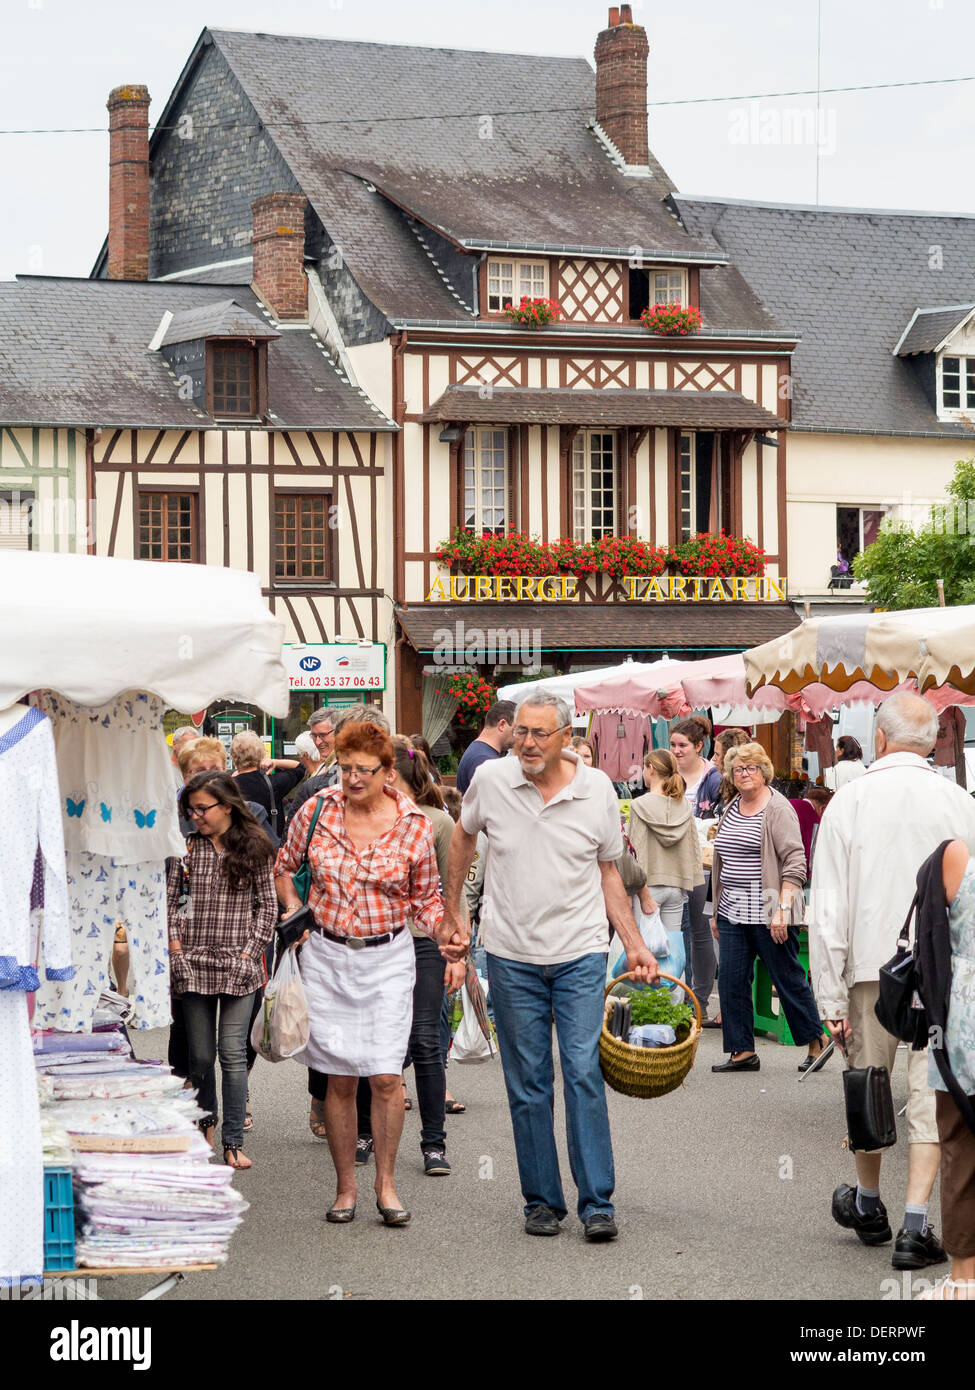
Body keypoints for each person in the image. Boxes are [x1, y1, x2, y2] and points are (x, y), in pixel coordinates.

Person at [440, 691, 658, 1242]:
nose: (528, 743)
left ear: (566, 736)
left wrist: (631, 941)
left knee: (583, 1074)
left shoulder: (596, 790)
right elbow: (463, 837)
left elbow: (610, 870)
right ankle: (541, 1201)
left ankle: (597, 1203)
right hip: (511, 956)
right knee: (529, 1083)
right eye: (521, 732)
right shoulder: (491, 781)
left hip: (580, 953)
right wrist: (453, 912)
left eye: (540, 734)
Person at [810, 691, 975, 1270]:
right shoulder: (959, 802)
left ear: (879, 738)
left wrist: (827, 995)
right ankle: (914, 1225)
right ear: (933, 743)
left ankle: (870, 1203)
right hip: (941, 970)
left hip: (867, 967)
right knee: (931, 1098)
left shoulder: (848, 803)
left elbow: (826, 905)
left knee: (867, 1085)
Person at [274, 722, 445, 1227]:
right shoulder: (317, 809)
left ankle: (386, 1185)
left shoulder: (413, 823)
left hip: (389, 958)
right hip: (327, 957)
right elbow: (284, 866)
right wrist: (293, 908)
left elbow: (427, 900)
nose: (351, 778)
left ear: (388, 772)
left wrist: (446, 933)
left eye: (363, 770)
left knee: (387, 1075)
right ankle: (345, 1187)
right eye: (345, 767)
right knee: (341, 1078)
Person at [167, 771, 277, 1169]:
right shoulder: (183, 848)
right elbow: (170, 903)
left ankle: (233, 1140)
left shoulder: (256, 847)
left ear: (226, 806)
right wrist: (176, 949)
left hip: (239, 966)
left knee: (232, 1053)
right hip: (192, 962)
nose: (195, 816)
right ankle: (204, 1127)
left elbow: (268, 906)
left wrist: (250, 955)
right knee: (198, 1057)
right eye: (190, 809)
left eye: (202, 808)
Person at [710, 742, 827, 1075]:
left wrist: (782, 910)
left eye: (751, 768)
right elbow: (723, 861)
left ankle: (816, 1040)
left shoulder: (777, 808)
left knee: (787, 977)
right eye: (738, 769)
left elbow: (795, 862)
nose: (744, 774)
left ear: (764, 772)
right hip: (733, 910)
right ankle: (742, 1050)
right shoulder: (732, 805)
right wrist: (718, 911)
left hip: (767, 909)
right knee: (731, 980)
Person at [380, 735, 466, 1175]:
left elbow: (454, 892)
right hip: (377, 943)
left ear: (390, 772)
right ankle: (363, 1131)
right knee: (375, 1044)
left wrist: (457, 953)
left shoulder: (437, 821)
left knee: (426, 1041)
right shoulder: (370, 819)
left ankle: (434, 1143)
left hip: (425, 942)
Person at [916, 839, 975, 1300]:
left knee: (959, 1148)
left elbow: (930, 944)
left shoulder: (955, 855)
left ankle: (964, 1279)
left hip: (963, 1027)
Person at [670, 717, 722, 1019]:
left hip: (702, 865)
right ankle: (679, 994)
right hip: (673, 866)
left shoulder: (712, 778)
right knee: (675, 932)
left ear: (698, 746)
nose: (676, 751)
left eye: (682, 745)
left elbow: (718, 823)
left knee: (700, 934)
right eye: (673, 745)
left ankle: (699, 1000)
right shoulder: (668, 775)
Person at [627, 748, 704, 943]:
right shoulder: (685, 805)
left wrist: (631, 889)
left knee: (644, 951)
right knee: (673, 952)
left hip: (647, 887)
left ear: (650, 769)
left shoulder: (639, 805)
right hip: (676, 886)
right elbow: (692, 847)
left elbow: (635, 851)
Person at [287, 703, 388, 823]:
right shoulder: (315, 794)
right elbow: (291, 839)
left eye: (323, 735)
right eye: (314, 736)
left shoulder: (404, 808)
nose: (318, 742)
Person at [455, 700, 516, 794]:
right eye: (516, 729)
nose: (519, 736)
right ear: (502, 725)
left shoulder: (478, 752)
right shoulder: (484, 760)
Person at [789, 784, 832, 876]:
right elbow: (811, 858)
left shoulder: (787, 803)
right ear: (823, 809)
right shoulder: (814, 819)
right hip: (794, 873)